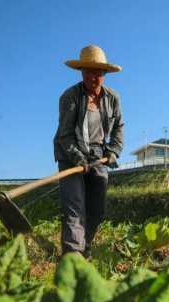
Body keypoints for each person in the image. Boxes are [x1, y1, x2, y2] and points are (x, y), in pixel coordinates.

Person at [53, 45, 124, 256]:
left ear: (105, 74)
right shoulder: (70, 97)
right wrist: (77, 157)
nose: (93, 77)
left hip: (98, 156)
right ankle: (72, 258)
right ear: (81, 72)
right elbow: (64, 135)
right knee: (74, 207)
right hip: (70, 154)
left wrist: (113, 150)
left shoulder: (112, 98)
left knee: (96, 209)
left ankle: (85, 248)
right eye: (88, 72)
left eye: (98, 72)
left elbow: (119, 127)